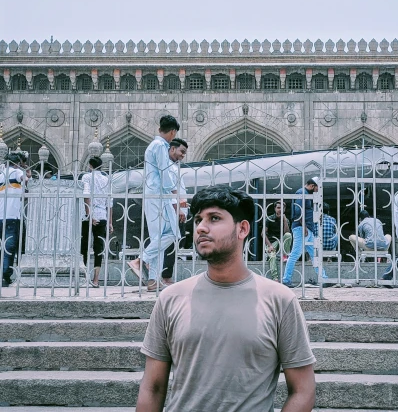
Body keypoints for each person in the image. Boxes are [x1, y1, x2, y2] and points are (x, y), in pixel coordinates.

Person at [136, 185, 316, 412]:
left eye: (214, 218)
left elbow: (303, 390)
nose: (201, 227)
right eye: (198, 219)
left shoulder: (279, 300)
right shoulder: (171, 298)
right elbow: (153, 387)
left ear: (242, 229)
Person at [129, 114, 181, 292]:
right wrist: (175, 193)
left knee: (158, 238)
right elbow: (164, 171)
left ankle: (152, 280)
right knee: (173, 234)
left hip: (155, 194)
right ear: (173, 132)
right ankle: (140, 260)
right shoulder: (160, 146)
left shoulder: (156, 145)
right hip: (159, 194)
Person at [0, 151, 30, 287]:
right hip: (13, 216)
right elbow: (27, 178)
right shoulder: (16, 173)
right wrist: (25, 167)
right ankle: (5, 276)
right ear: (17, 163)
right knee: (9, 247)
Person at [282, 178, 332, 288]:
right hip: (301, 228)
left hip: (307, 229)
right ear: (312, 185)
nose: (317, 190)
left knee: (314, 255)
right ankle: (286, 279)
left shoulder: (305, 193)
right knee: (295, 253)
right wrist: (303, 225)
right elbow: (298, 210)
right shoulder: (301, 192)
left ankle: (323, 278)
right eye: (317, 187)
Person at [160, 138, 189, 285]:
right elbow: (169, 190)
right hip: (172, 211)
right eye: (181, 151)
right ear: (172, 149)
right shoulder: (167, 167)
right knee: (170, 242)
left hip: (178, 210)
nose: (183, 155)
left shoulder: (174, 167)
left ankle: (164, 275)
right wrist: (178, 209)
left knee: (175, 241)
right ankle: (165, 276)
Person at [81, 156, 112, 288]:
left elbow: (86, 195)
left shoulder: (86, 177)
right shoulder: (106, 179)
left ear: (90, 165)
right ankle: (96, 279)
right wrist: (110, 222)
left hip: (88, 215)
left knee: (84, 247)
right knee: (99, 248)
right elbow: (110, 202)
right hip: (103, 215)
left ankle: (84, 277)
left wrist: (89, 215)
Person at [263, 200, 291, 281]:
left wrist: (285, 220)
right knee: (272, 256)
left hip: (282, 242)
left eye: (282, 208)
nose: (280, 210)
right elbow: (263, 234)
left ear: (284, 209)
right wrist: (270, 245)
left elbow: (287, 233)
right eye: (278, 208)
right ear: (275, 209)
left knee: (288, 235)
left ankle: (284, 255)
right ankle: (275, 278)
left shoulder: (286, 220)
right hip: (272, 242)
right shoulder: (269, 219)